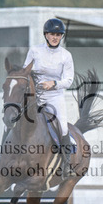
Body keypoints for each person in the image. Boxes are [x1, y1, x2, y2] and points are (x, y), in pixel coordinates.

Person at [23, 18, 75, 177]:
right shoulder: (35, 51)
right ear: (46, 34)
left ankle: (66, 164)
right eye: (52, 34)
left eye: (58, 35)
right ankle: (1, 159)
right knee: (13, 119)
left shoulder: (66, 55)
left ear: (61, 36)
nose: (55, 37)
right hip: (34, 96)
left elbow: (69, 80)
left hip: (54, 96)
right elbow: (25, 72)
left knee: (63, 127)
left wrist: (53, 83)